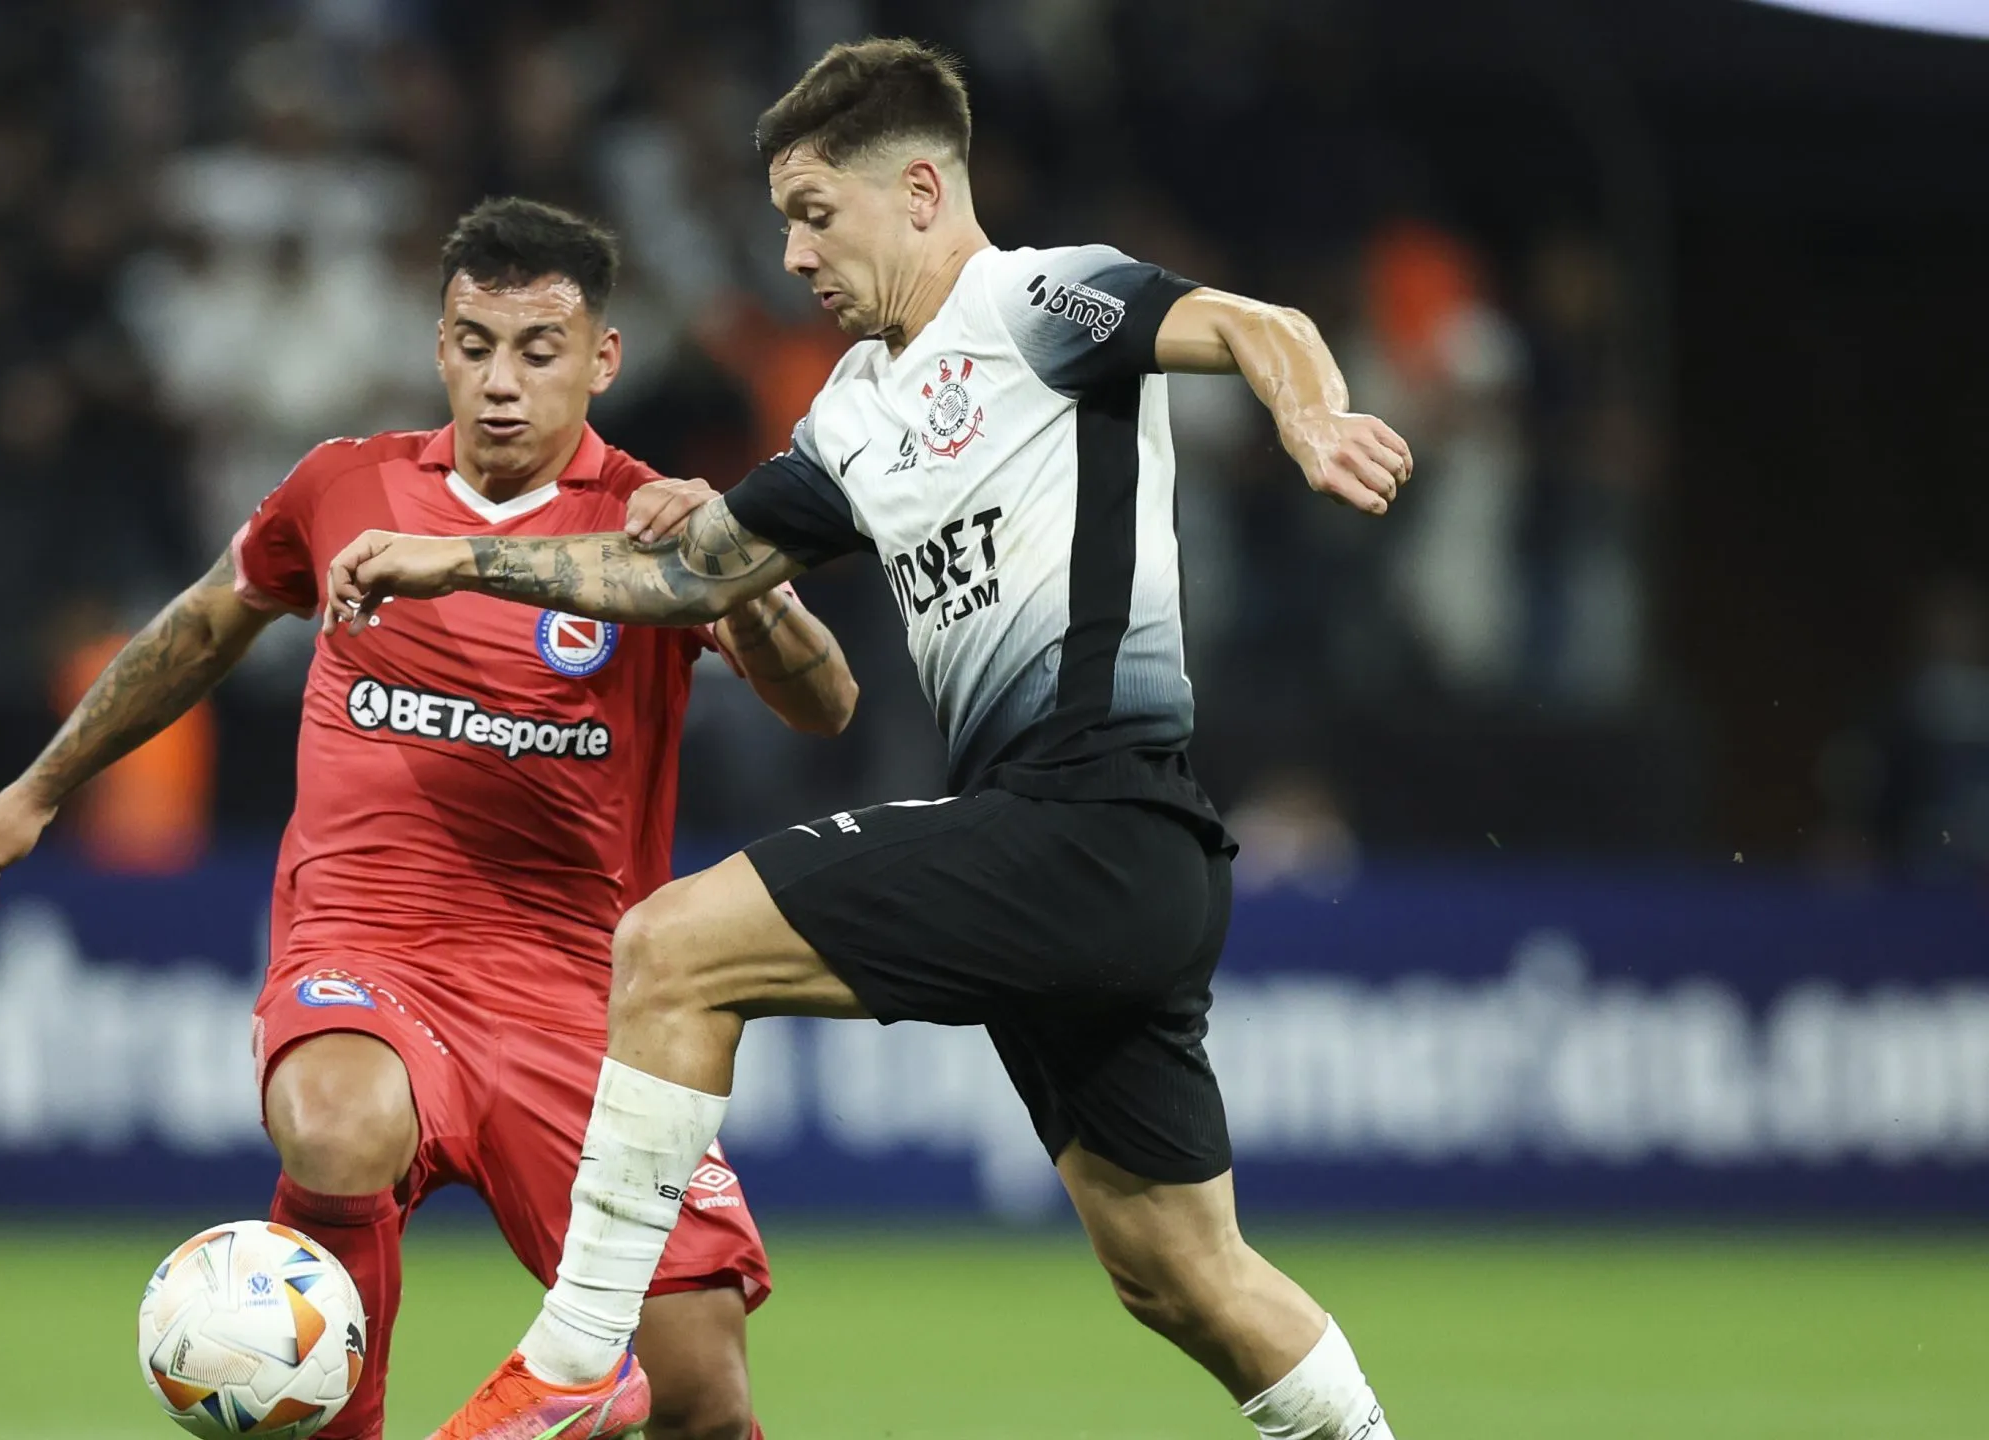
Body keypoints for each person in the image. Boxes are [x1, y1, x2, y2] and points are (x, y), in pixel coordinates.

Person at [325, 41, 1415, 1440]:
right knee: (1178, 1272)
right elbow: (692, 575)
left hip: (1097, 820)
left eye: (811, 211)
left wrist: (1310, 410)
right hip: (1079, 863)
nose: (789, 252)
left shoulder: (1036, 301)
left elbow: (1259, 324)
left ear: (916, 190)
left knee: (670, 947)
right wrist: (461, 562)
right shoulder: (855, 409)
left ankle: (581, 1353)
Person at [0, 197, 856, 1440]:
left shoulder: (645, 524)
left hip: (581, 998)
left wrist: (735, 571)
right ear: (439, 345)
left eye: (537, 352)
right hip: (367, 950)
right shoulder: (345, 486)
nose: (499, 383)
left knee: (702, 1392)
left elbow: (826, 704)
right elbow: (209, 619)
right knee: (335, 1121)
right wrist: (41, 787)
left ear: (603, 359)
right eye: (475, 345)